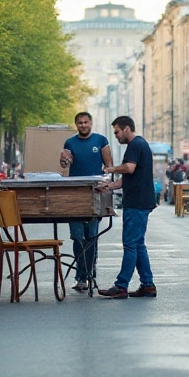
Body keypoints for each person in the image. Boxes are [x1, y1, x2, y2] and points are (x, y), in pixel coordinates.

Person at [97, 116, 156, 299]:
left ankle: (121, 285)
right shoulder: (139, 145)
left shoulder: (135, 145)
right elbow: (129, 178)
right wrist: (109, 187)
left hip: (136, 203)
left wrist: (109, 169)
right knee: (138, 245)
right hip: (141, 201)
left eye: (117, 132)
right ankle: (147, 284)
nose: (116, 136)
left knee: (130, 245)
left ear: (127, 129)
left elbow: (129, 169)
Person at [59, 111, 113, 292]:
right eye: (80, 123)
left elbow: (109, 167)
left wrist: (105, 182)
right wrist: (64, 161)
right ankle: (80, 276)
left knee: (92, 237)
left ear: (91, 123)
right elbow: (65, 166)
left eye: (86, 122)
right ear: (76, 125)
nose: (83, 125)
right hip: (75, 195)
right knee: (77, 237)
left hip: (94, 194)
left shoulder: (101, 140)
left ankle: (90, 274)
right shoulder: (70, 142)